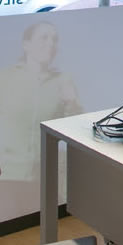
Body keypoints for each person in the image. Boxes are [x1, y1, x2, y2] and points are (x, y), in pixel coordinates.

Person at [0, 21, 81, 182]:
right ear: (26, 45)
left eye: (54, 39)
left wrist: (72, 103)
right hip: (8, 175)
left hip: (45, 177)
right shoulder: (5, 78)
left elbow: (77, 129)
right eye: (44, 38)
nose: (50, 43)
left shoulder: (62, 81)